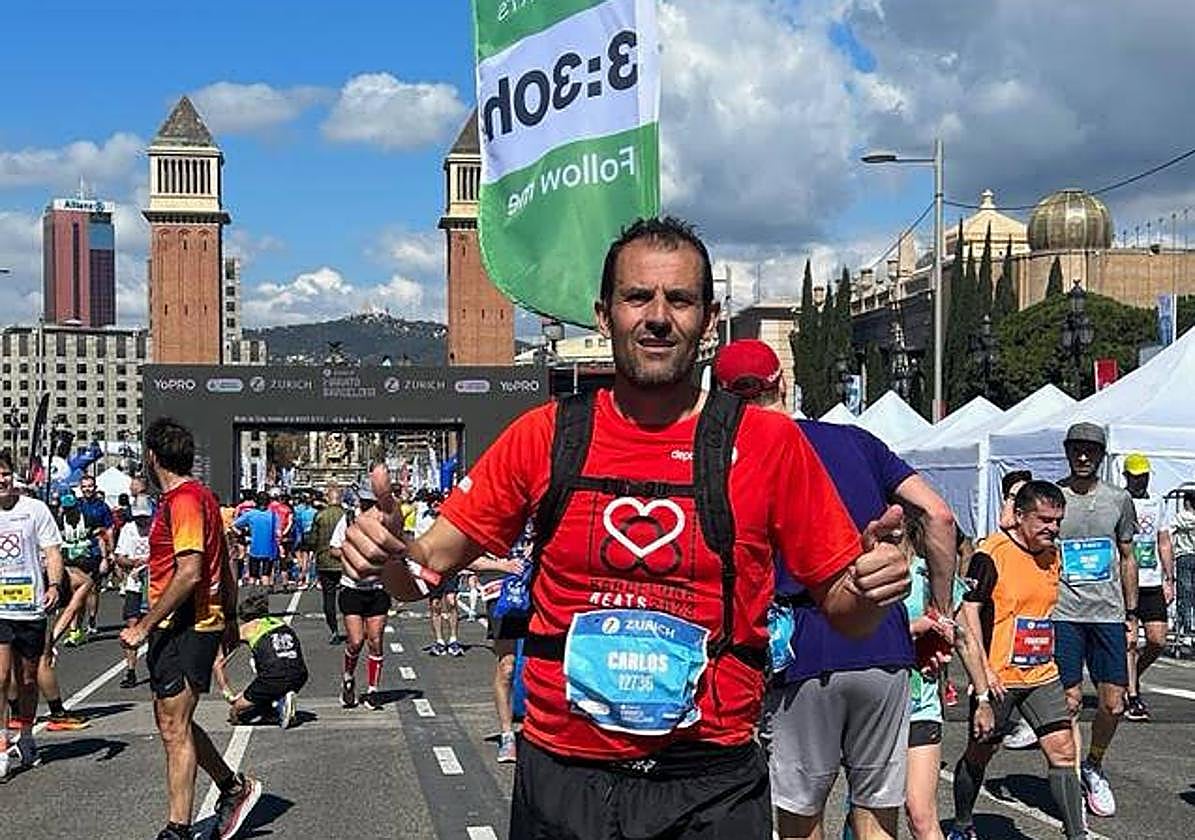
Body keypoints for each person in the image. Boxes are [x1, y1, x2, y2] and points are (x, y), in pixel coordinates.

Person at [342, 216, 910, 840]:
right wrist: (387, 554)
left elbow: (845, 611)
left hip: (708, 782)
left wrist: (868, 586)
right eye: (638, 296)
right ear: (604, 314)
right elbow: (422, 571)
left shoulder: (769, 444)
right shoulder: (546, 434)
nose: (658, 316)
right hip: (565, 776)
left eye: (680, 299)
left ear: (709, 319)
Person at [714, 339, 957, 840]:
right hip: (885, 644)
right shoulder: (856, 441)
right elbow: (939, 515)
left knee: (802, 823)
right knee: (878, 819)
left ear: (722, 397)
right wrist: (939, 608)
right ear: (781, 381)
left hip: (798, 646)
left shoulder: (728, 459)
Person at [117, 418, 261, 840]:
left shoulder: (182, 500)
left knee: (175, 726)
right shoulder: (201, 499)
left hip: (186, 622)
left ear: (152, 457)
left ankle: (177, 829)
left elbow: (191, 570)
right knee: (171, 721)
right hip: (187, 621)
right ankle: (233, 788)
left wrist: (143, 624)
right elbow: (227, 560)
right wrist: (232, 615)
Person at [947, 481, 1088, 840]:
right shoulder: (991, 553)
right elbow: (969, 614)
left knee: (1063, 749)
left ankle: (1077, 835)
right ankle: (962, 824)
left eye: (1057, 521)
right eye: (1044, 520)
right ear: (1020, 516)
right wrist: (983, 673)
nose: (1052, 529)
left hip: (1041, 673)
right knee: (980, 753)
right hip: (998, 677)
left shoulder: (1053, 555)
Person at [1054, 423, 1137, 818]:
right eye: (1076, 449)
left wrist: (1132, 613)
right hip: (1064, 613)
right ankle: (1069, 780)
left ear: (1102, 456)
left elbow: (1127, 556)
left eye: (1091, 450)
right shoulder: (1053, 495)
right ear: (1068, 452)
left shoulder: (1118, 500)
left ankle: (1094, 764)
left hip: (1107, 614)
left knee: (1114, 704)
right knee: (1069, 703)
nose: (1083, 456)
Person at [0, 449, 64, 781]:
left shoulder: (34, 509)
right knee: (0, 677)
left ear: (13, 476)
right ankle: (0, 745)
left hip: (30, 607)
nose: (1, 479)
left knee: (26, 679)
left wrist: (54, 585)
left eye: (5, 473)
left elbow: (52, 550)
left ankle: (26, 736)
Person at [1120, 453, 1174, 721]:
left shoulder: (1157, 502)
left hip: (1152, 581)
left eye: (1144, 476)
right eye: (1135, 477)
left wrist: (1169, 578)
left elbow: (1163, 540)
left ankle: (1132, 676)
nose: (1140, 481)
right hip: (1126, 582)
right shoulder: (1119, 501)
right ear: (1126, 477)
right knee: (1129, 642)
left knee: (1157, 641)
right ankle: (1132, 696)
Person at [331, 484, 389, 710]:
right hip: (352, 588)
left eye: (372, 504)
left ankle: (373, 690)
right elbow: (334, 548)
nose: (368, 507)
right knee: (356, 641)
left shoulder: (384, 523)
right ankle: (348, 676)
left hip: (377, 588)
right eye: (364, 503)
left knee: (375, 640)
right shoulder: (347, 520)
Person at [214, 590, 307, 729]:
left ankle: (279, 704)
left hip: (274, 677)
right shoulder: (280, 623)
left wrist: (229, 695)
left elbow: (218, 664)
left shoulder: (245, 629)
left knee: (236, 714)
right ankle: (278, 699)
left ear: (244, 617)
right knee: (264, 666)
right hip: (300, 675)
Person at [115, 497, 153, 688]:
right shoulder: (128, 530)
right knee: (132, 625)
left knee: (154, 626)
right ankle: (130, 670)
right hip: (134, 583)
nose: (142, 522)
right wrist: (134, 563)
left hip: (154, 585)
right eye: (139, 518)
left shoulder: (157, 527)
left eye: (145, 518)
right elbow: (120, 557)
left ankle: (156, 667)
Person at [55, 493, 99, 646]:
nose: (69, 512)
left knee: (88, 593)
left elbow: (101, 534)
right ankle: (75, 630)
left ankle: (88, 621)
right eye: (66, 509)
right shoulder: (60, 520)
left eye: (71, 508)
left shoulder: (87, 517)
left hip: (87, 560)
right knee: (75, 596)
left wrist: (106, 556)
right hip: (70, 561)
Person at [77, 474, 114, 633]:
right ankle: (76, 626)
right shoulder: (76, 505)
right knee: (77, 589)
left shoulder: (102, 506)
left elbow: (110, 529)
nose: (87, 489)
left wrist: (110, 553)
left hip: (96, 550)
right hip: (77, 551)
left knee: (93, 588)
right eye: (84, 486)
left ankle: (91, 620)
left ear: (95, 487)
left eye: (90, 486)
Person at [310, 485, 346, 643]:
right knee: (348, 596)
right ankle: (353, 628)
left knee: (328, 598)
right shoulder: (348, 516)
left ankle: (334, 631)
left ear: (327, 499)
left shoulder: (320, 516)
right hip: (345, 561)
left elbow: (312, 540)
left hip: (325, 561)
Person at [234, 493, 280, 590]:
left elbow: (235, 524)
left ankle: (252, 596)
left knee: (253, 575)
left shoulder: (251, 514)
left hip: (254, 549)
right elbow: (278, 533)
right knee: (265, 575)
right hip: (269, 550)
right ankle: (264, 598)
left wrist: (240, 533)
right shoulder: (273, 515)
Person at [1172, 489, 1195, 639]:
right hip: (1190, 555)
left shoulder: (1179, 517)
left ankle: (1185, 630)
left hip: (1184, 556)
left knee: (1184, 594)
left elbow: (1169, 530)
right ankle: (1190, 628)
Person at [291, 492, 317, 588]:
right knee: (313, 558)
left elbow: (298, 526)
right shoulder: (315, 512)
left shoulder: (301, 512)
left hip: (304, 535)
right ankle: (313, 579)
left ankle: (303, 579)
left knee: (304, 558)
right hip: (313, 535)